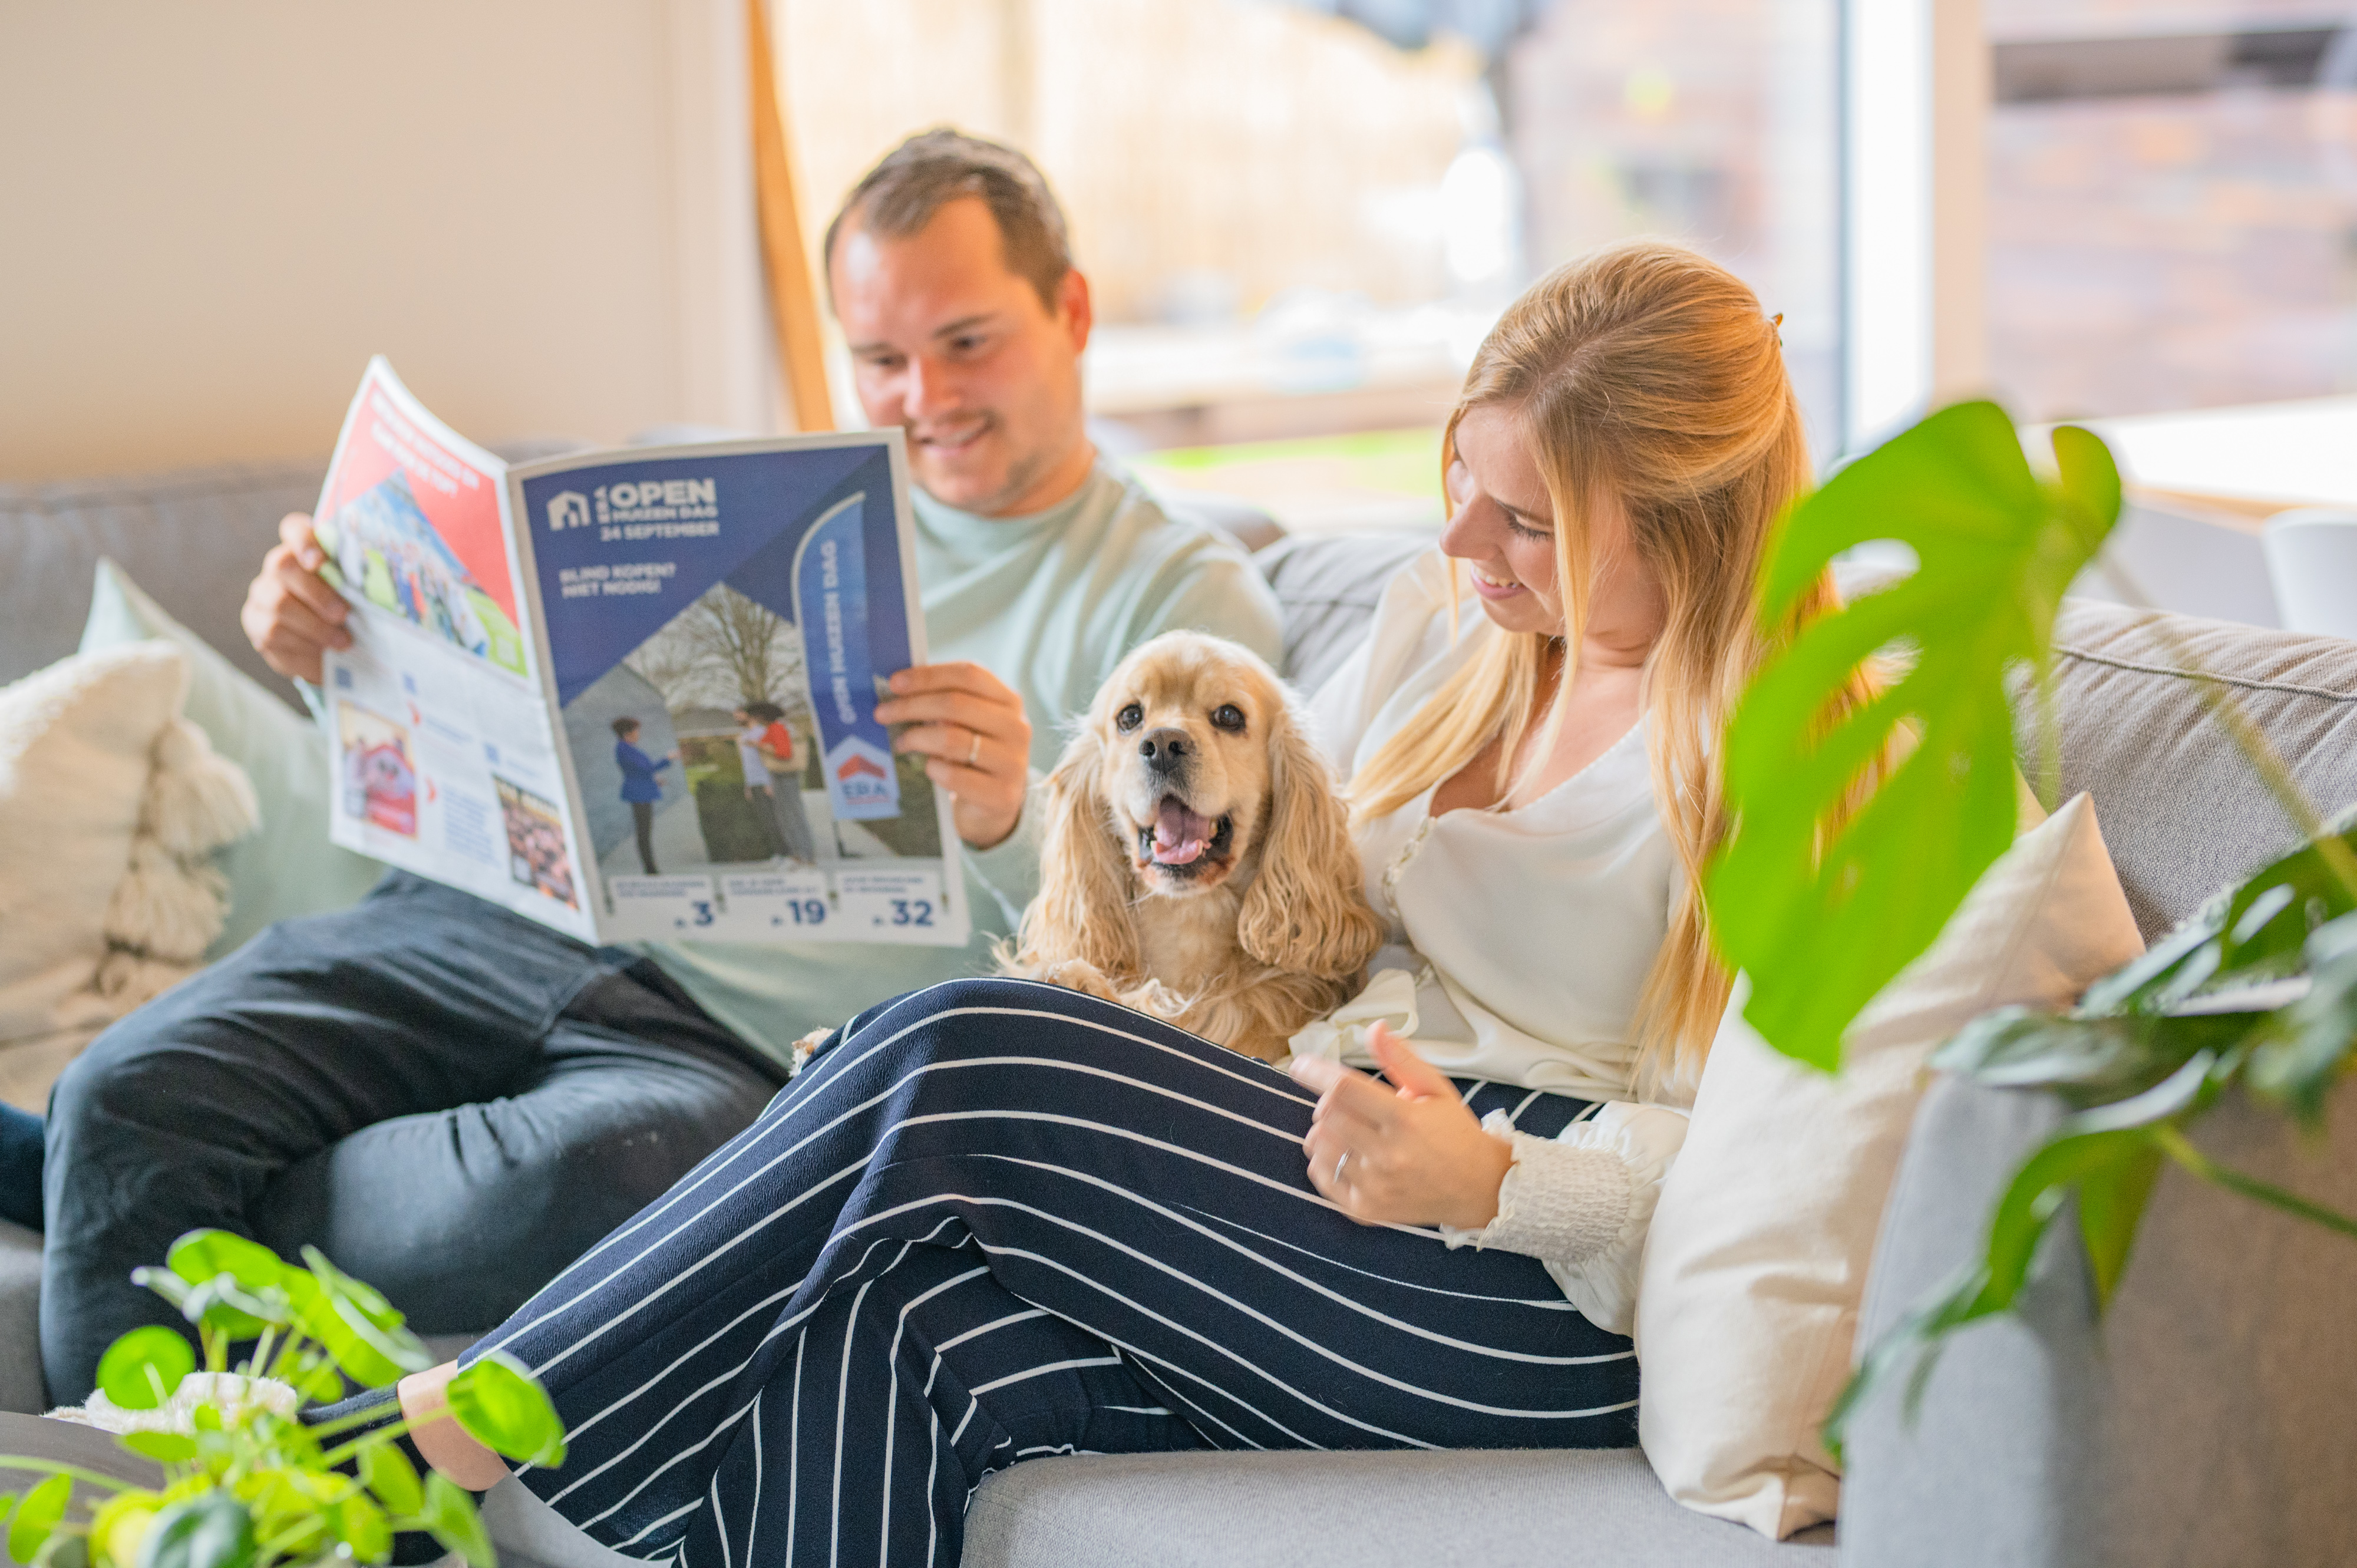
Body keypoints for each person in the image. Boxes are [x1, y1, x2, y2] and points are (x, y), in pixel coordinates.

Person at [369, 241, 1886, 1566]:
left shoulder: (1798, 765)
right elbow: (1265, 877)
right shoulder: (1452, 639)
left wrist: (1494, 1182)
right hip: (1316, 1155)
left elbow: (1768, 1166)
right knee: (890, 1333)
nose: (1458, 544)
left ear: (1679, 522)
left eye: (1527, 519)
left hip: (1526, 1293)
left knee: (958, 1047)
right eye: (1458, 484)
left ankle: (422, 1439)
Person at [35, 129, 1282, 1401]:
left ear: (1070, 311)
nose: (924, 396)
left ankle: (127, 1195)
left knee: (589, 1185)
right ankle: (122, 1418)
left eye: (966, 341)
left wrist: (1015, 813)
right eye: (879, 360)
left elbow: (1202, 933)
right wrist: (331, 651)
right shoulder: (776, 510)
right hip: (495, 923)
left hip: (723, 1048)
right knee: (127, 1087)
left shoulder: (1179, 597)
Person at [744, 701, 818, 863]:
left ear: (762, 716)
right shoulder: (774, 728)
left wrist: (758, 745)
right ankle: (799, 854)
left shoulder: (777, 728)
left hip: (786, 775)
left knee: (793, 815)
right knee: (787, 815)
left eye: (756, 716)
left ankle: (806, 855)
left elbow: (784, 753)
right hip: (779, 775)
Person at [611, 718, 674, 875]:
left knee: (645, 830)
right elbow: (646, 769)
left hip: (641, 792)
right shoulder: (625, 749)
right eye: (636, 731)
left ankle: (650, 867)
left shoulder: (627, 749)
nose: (638, 734)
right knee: (644, 831)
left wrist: (654, 780)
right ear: (628, 733)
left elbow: (640, 772)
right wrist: (668, 759)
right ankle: (650, 868)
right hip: (639, 794)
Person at [729, 705, 792, 861]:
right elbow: (747, 764)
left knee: (775, 820)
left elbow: (770, 759)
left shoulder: (761, 733)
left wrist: (770, 782)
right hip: (754, 783)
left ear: (748, 715)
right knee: (766, 821)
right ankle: (777, 853)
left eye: (739, 716)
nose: (736, 719)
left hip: (765, 783)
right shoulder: (744, 736)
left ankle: (787, 854)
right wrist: (748, 785)